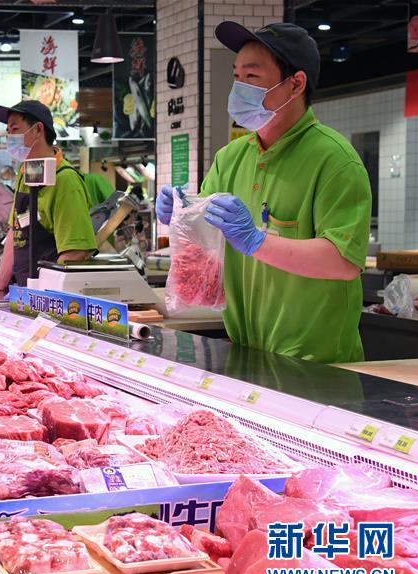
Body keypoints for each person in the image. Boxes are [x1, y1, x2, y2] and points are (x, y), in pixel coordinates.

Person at [155, 22, 371, 364]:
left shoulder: (335, 160)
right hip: (245, 352)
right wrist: (181, 215)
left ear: (295, 84)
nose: (239, 87)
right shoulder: (230, 158)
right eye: (237, 76)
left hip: (318, 364)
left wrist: (256, 241)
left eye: (252, 77)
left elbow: (343, 262)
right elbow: (204, 247)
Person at [0, 101, 97, 290]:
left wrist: (45, 294)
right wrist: (0, 282)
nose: (10, 137)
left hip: (49, 296)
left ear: (38, 129)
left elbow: (75, 252)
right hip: (25, 290)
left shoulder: (65, 179)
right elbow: (16, 231)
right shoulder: (25, 173)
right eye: (8, 131)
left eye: (15, 129)